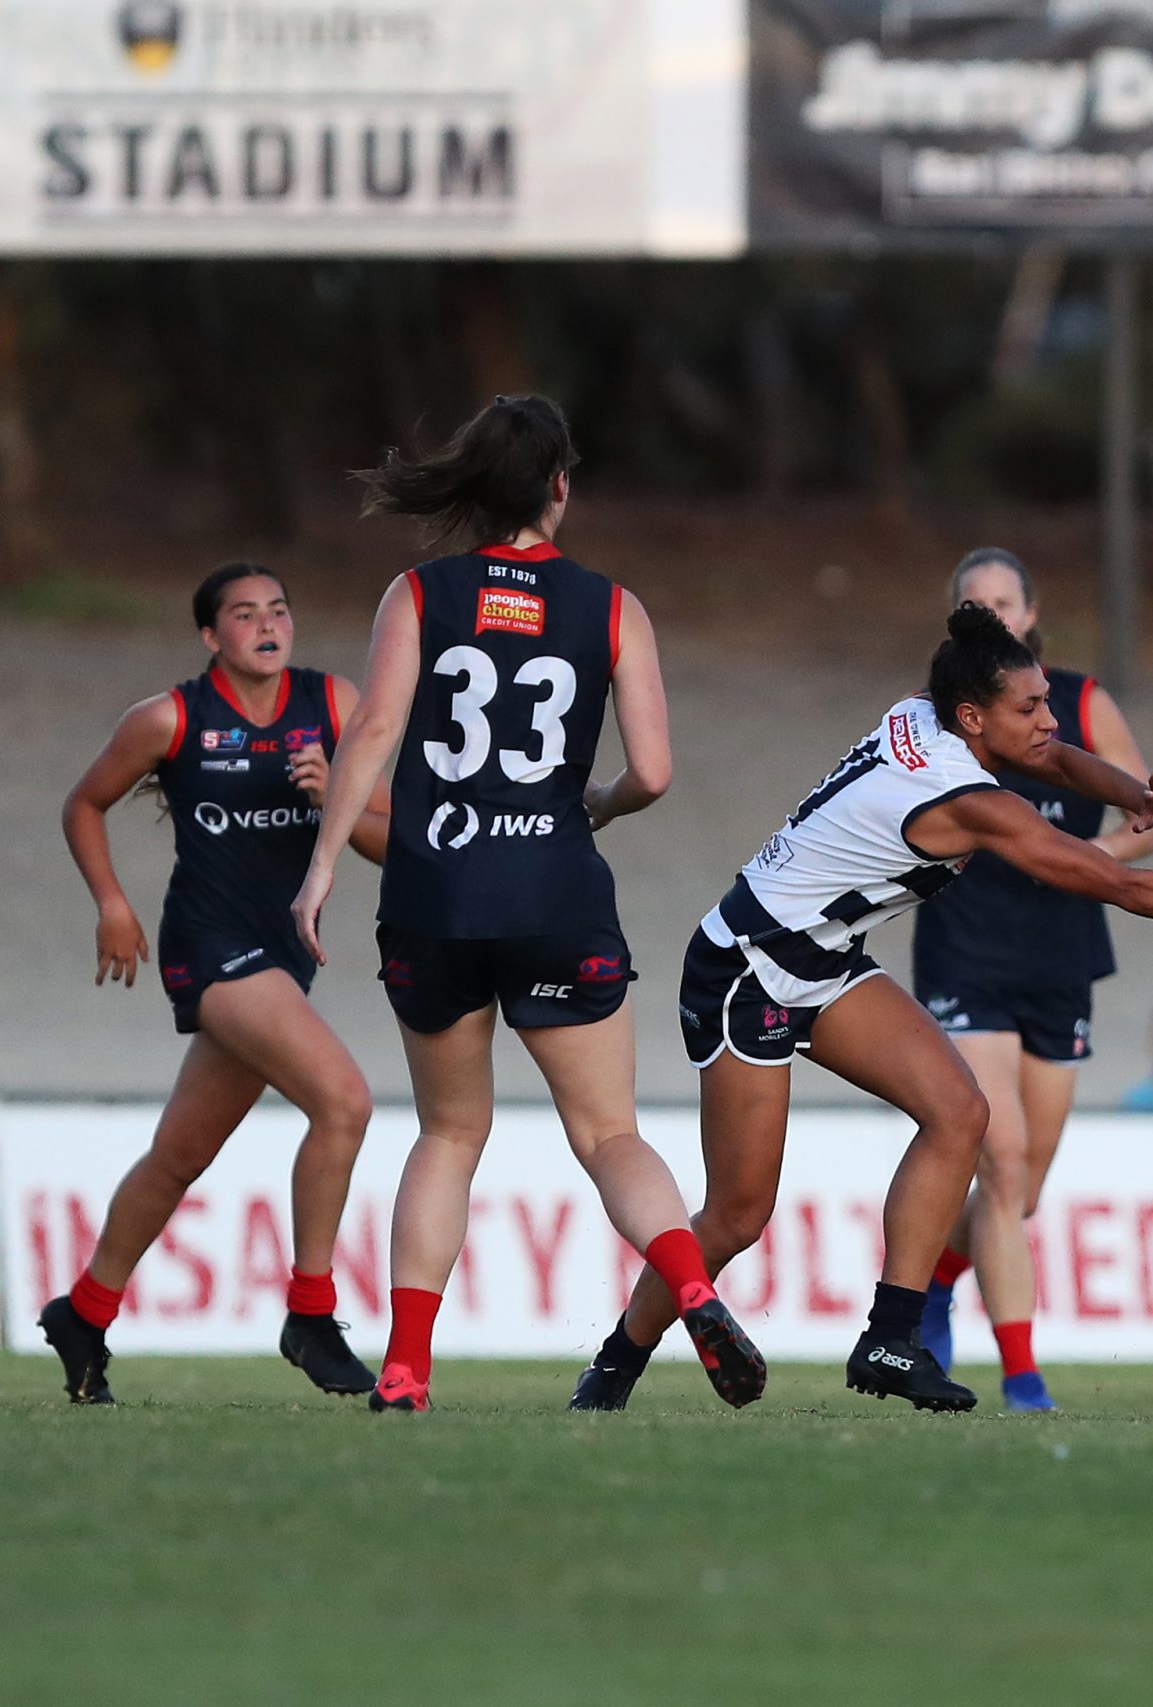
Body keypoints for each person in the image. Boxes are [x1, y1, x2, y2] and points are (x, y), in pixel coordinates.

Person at [567, 605, 1153, 1414]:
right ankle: (613, 1367)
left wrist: (1131, 792)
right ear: (974, 718)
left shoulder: (924, 707)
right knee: (739, 1213)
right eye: (1030, 706)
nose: (1049, 718)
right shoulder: (967, 799)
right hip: (746, 967)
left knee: (959, 1110)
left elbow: (1047, 758)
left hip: (822, 957)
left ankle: (890, 1338)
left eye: (1047, 699)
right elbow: (1119, 883)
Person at [295, 393, 765, 1416]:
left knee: (449, 1134)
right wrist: (590, 805)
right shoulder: (612, 607)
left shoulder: (419, 594)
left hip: (434, 893)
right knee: (608, 1135)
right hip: (555, 888)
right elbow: (653, 771)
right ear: (559, 487)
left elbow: (371, 731)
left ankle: (407, 1370)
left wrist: (324, 863)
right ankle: (688, 1285)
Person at [37, 564, 390, 1405]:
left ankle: (83, 1311)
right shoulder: (169, 717)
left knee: (177, 1157)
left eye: (278, 609)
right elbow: (82, 804)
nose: (267, 625)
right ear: (210, 637)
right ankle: (310, 1314)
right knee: (344, 1102)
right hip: (209, 946)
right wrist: (111, 903)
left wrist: (339, 794)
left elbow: (392, 834)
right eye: (244, 614)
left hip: (282, 953)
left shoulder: (334, 704)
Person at [910, 549, 1153, 1411]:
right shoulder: (937, 722)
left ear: (1033, 610)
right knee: (1004, 1158)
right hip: (965, 958)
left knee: (1020, 1190)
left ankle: (939, 1275)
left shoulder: (1081, 705)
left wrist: (1084, 856)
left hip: (1060, 961)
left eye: (1004, 600)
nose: (991, 612)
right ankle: (1023, 1379)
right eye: (972, 601)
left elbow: (1145, 821)